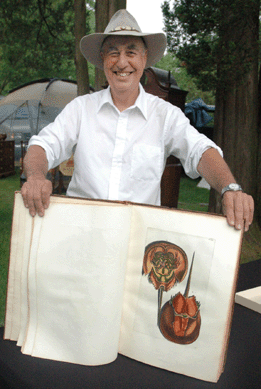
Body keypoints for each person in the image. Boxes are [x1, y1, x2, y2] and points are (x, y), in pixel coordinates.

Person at [21, 9, 254, 232]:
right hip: (82, 235)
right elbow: (42, 145)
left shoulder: (165, 115)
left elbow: (200, 149)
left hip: (139, 243)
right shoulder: (81, 109)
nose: (122, 63)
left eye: (131, 52)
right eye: (113, 52)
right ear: (103, 59)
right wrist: (35, 176)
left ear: (144, 59)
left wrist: (230, 187)